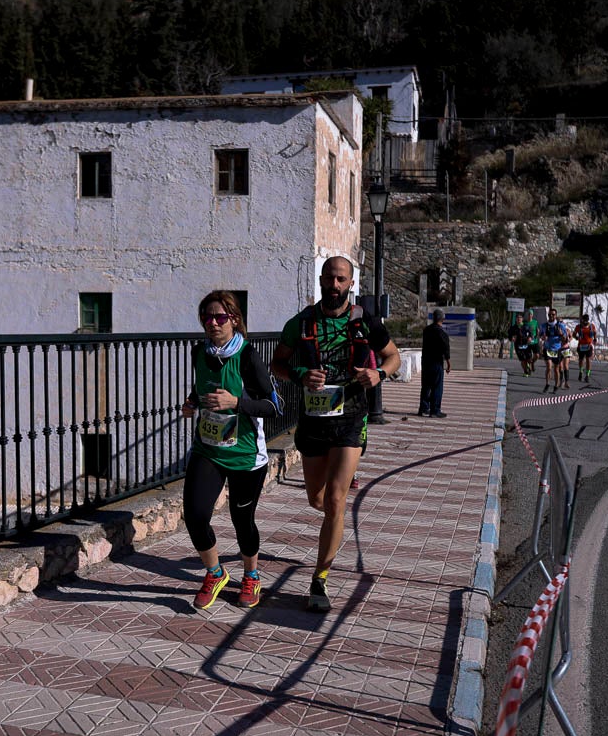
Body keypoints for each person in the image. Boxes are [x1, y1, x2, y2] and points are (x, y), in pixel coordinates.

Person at [270, 257, 401, 613]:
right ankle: (334, 503)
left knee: (336, 502)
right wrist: (299, 375)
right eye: (328, 278)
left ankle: (319, 580)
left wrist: (379, 375)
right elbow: (277, 364)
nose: (334, 285)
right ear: (320, 280)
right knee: (318, 500)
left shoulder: (366, 322)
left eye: (340, 279)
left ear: (351, 282)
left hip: (351, 417)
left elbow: (393, 357)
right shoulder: (299, 323)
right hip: (313, 420)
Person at [180, 291, 280, 610]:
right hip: (208, 449)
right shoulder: (200, 351)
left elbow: (273, 405)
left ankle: (251, 576)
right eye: (207, 318)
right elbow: (202, 385)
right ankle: (215, 572)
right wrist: (193, 402)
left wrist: (236, 403)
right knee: (195, 515)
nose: (212, 323)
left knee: (242, 521)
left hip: (245, 456)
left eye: (220, 317)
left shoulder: (248, 356)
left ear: (234, 320)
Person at [419, 309, 452, 416]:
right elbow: (446, 349)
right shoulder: (442, 333)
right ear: (442, 319)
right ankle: (435, 410)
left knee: (426, 386)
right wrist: (448, 364)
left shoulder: (426, 330)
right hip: (436, 363)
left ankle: (423, 408)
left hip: (426, 362)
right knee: (437, 387)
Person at [541, 308, 568, 393]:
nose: (551, 316)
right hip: (547, 349)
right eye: (549, 315)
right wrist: (543, 337)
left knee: (556, 369)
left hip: (557, 350)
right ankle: (547, 384)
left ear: (556, 316)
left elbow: (565, 339)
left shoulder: (561, 326)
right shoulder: (544, 325)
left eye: (553, 314)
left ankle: (556, 385)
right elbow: (540, 335)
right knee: (549, 367)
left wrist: (561, 334)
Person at [574, 313, 597, 382]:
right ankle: (581, 372)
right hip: (581, 346)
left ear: (587, 320)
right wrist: (576, 337)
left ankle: (587, 375)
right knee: (581, 360)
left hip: (588, 346)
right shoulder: (578, 326)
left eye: (586, 321)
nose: (584, 322)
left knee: (588, 360)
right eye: (583, 320)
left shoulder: (591, 326)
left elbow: (595, 333)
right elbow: (574, 334)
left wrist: (595, 339)